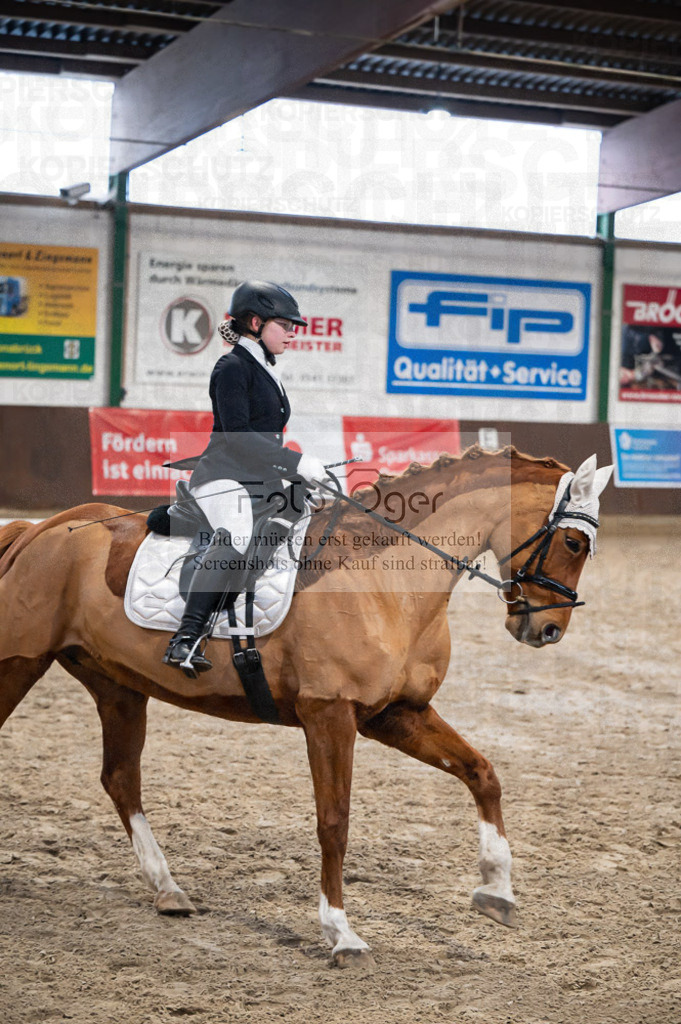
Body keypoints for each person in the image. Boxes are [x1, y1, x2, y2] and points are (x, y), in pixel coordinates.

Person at [163, 280, 330, 676]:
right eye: (285, 324)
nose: (293, 332)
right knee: (237, 534)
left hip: (255, 479)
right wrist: (294, 461)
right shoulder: (232, 367)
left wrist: (297, 478)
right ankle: (185, 639)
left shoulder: (264, 369)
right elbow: (238, 439)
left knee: (304, 514)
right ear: (255, 322)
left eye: (294, 326)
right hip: (221, 476)